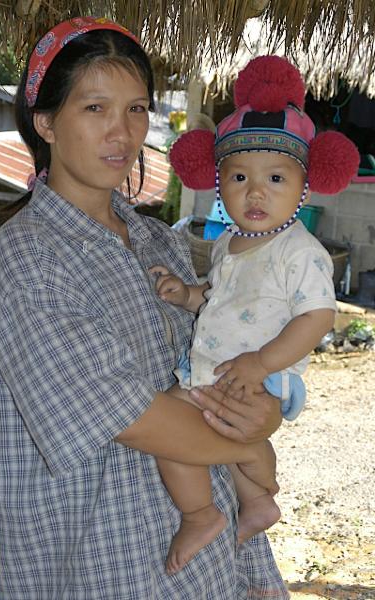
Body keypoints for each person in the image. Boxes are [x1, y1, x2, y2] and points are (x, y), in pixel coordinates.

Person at [0, 17, 291, 599]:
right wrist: (253, 439)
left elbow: (220, 369)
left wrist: (263, 406)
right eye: (95, 108)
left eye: (137, 108)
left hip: (209, 565)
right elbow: (134, 417)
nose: (122, 132)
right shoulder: (26, 258)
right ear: (45, 121)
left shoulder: (158, 242)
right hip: (103, 570)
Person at [151, 56, 360, 574]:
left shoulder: (299, 249)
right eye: (240, 176)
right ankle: (258, 500)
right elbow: (221, 301)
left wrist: (262, 364)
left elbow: (317, 317)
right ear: (219, 183)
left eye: (275, 177)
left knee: (170, 433)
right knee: (214, 433)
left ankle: (201, 514)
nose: (256, 191)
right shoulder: (227, 245)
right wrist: (187, 296)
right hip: (220, 369)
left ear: (305, 185)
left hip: (248, 374)